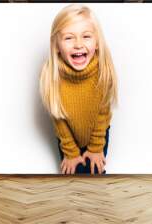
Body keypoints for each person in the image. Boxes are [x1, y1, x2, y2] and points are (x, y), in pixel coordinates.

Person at [39, 4, 118, 175]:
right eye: (69, 38)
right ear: (56, 46)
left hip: (98, 131)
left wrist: (97, 148)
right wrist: (70, 152)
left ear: (97, 43)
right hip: (67, 135)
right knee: (72, 174)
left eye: (86, 36)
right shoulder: (51, 77)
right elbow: (58, 119)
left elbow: (102, 114)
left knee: (94, 173)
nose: (78, 44)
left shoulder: (104, 72)